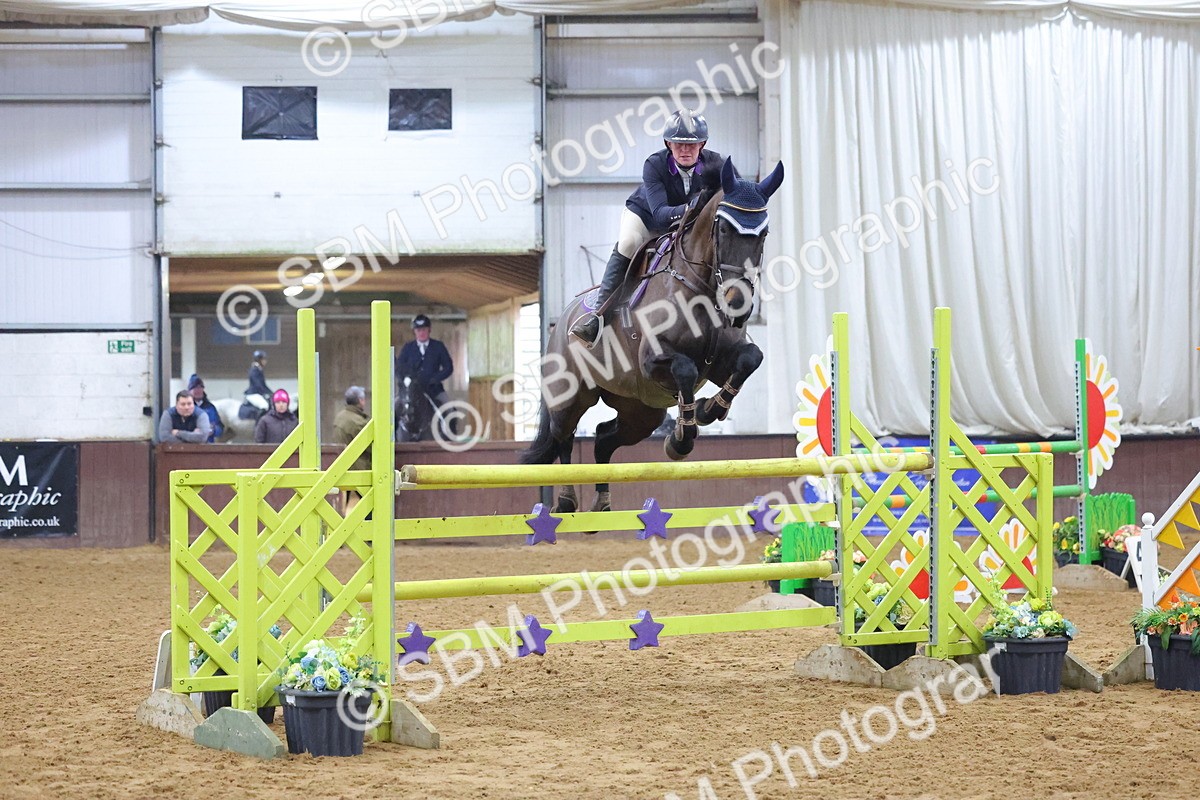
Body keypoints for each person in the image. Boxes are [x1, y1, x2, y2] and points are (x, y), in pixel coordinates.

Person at [570, 109, 724, 346]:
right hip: (647, 217)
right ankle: (598, 316)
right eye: (679, 144)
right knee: (629, 243)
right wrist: (695, 207)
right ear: (668, 144)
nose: (685, 150)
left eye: (692, 144)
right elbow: (661, 216)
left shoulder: (717, 164)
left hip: (689, 225)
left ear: (702, 144)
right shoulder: (654, 164)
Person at [396, 314, 454, 421]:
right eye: (418, 330)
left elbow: (448, 367)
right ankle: (392, 436)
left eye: (424, 329)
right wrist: (405, 380)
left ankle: (450, 436)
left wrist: (435, 379)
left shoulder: (438, 346)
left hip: (433, 389)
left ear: (429, 330)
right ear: (414, 331)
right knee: (395, 409)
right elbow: (399, 367)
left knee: (450, 409)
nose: (421, 333)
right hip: (410, 390)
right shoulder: (408, 348)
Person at [333, 386, 370, 513]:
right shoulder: (358, 422)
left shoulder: (340, 417)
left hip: (345, 468)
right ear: (360, 401)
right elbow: (371, 446)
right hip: (360, 468)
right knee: (369, 507)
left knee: (344, 507)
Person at [187, 374, 224, 443]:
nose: (198, 390)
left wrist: (214, 430)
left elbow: (220, 428)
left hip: (207, 446)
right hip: (190, 446)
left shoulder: (210, 407)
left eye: (200, 387)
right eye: (194, 388)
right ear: (189, 391)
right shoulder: (185, 407)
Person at [242, 350, 272, 418]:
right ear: (259, 360)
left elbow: (264, 385)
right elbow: (258, 384)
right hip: (253, 394)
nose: (265, 361)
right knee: (264, 406)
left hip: (258, 393)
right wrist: (267, 393)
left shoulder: (259, 369)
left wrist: (272, 393)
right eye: (264, 359)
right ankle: (258, 425)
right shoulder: (254, 370)